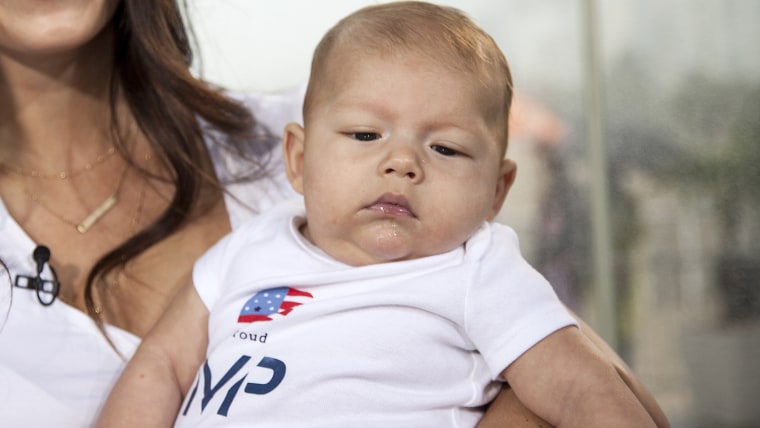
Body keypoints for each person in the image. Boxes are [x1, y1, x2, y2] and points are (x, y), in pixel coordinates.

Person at [0, 1, 667, 427]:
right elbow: (163, 368)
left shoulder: (471, 261)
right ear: (299, 158)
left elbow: (594, 394)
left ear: (497, 190)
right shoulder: (254, 246)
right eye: (367, 138)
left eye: (446, 148)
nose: (402, 162)